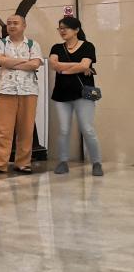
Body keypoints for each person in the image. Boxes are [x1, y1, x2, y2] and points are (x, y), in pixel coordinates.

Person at [0, 14, 42, 174]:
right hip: (6, 90)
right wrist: (25, 62)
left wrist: (11, 62)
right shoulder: (0, 43)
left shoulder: (33, 44)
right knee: (2, 129)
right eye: (9, 23)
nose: (12, 26)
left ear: (24, 26)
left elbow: (35, 64)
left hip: (28, 91)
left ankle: (23, 163)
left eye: (15, 23)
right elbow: (1, 61)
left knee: (26, 129)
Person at [49, 16, 103, 176]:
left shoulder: (88, 46)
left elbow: (84, 65)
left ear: (76, 30)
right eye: (60, 28)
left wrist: (64, 70)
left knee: (87, 129)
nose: (62, 31)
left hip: (83, 94)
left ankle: (96, 163)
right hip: (61, 95)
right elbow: (53, 64)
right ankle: (63, 162)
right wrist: (77, 66)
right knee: (64, 130)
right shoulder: (57, 48)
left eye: (65, 28)